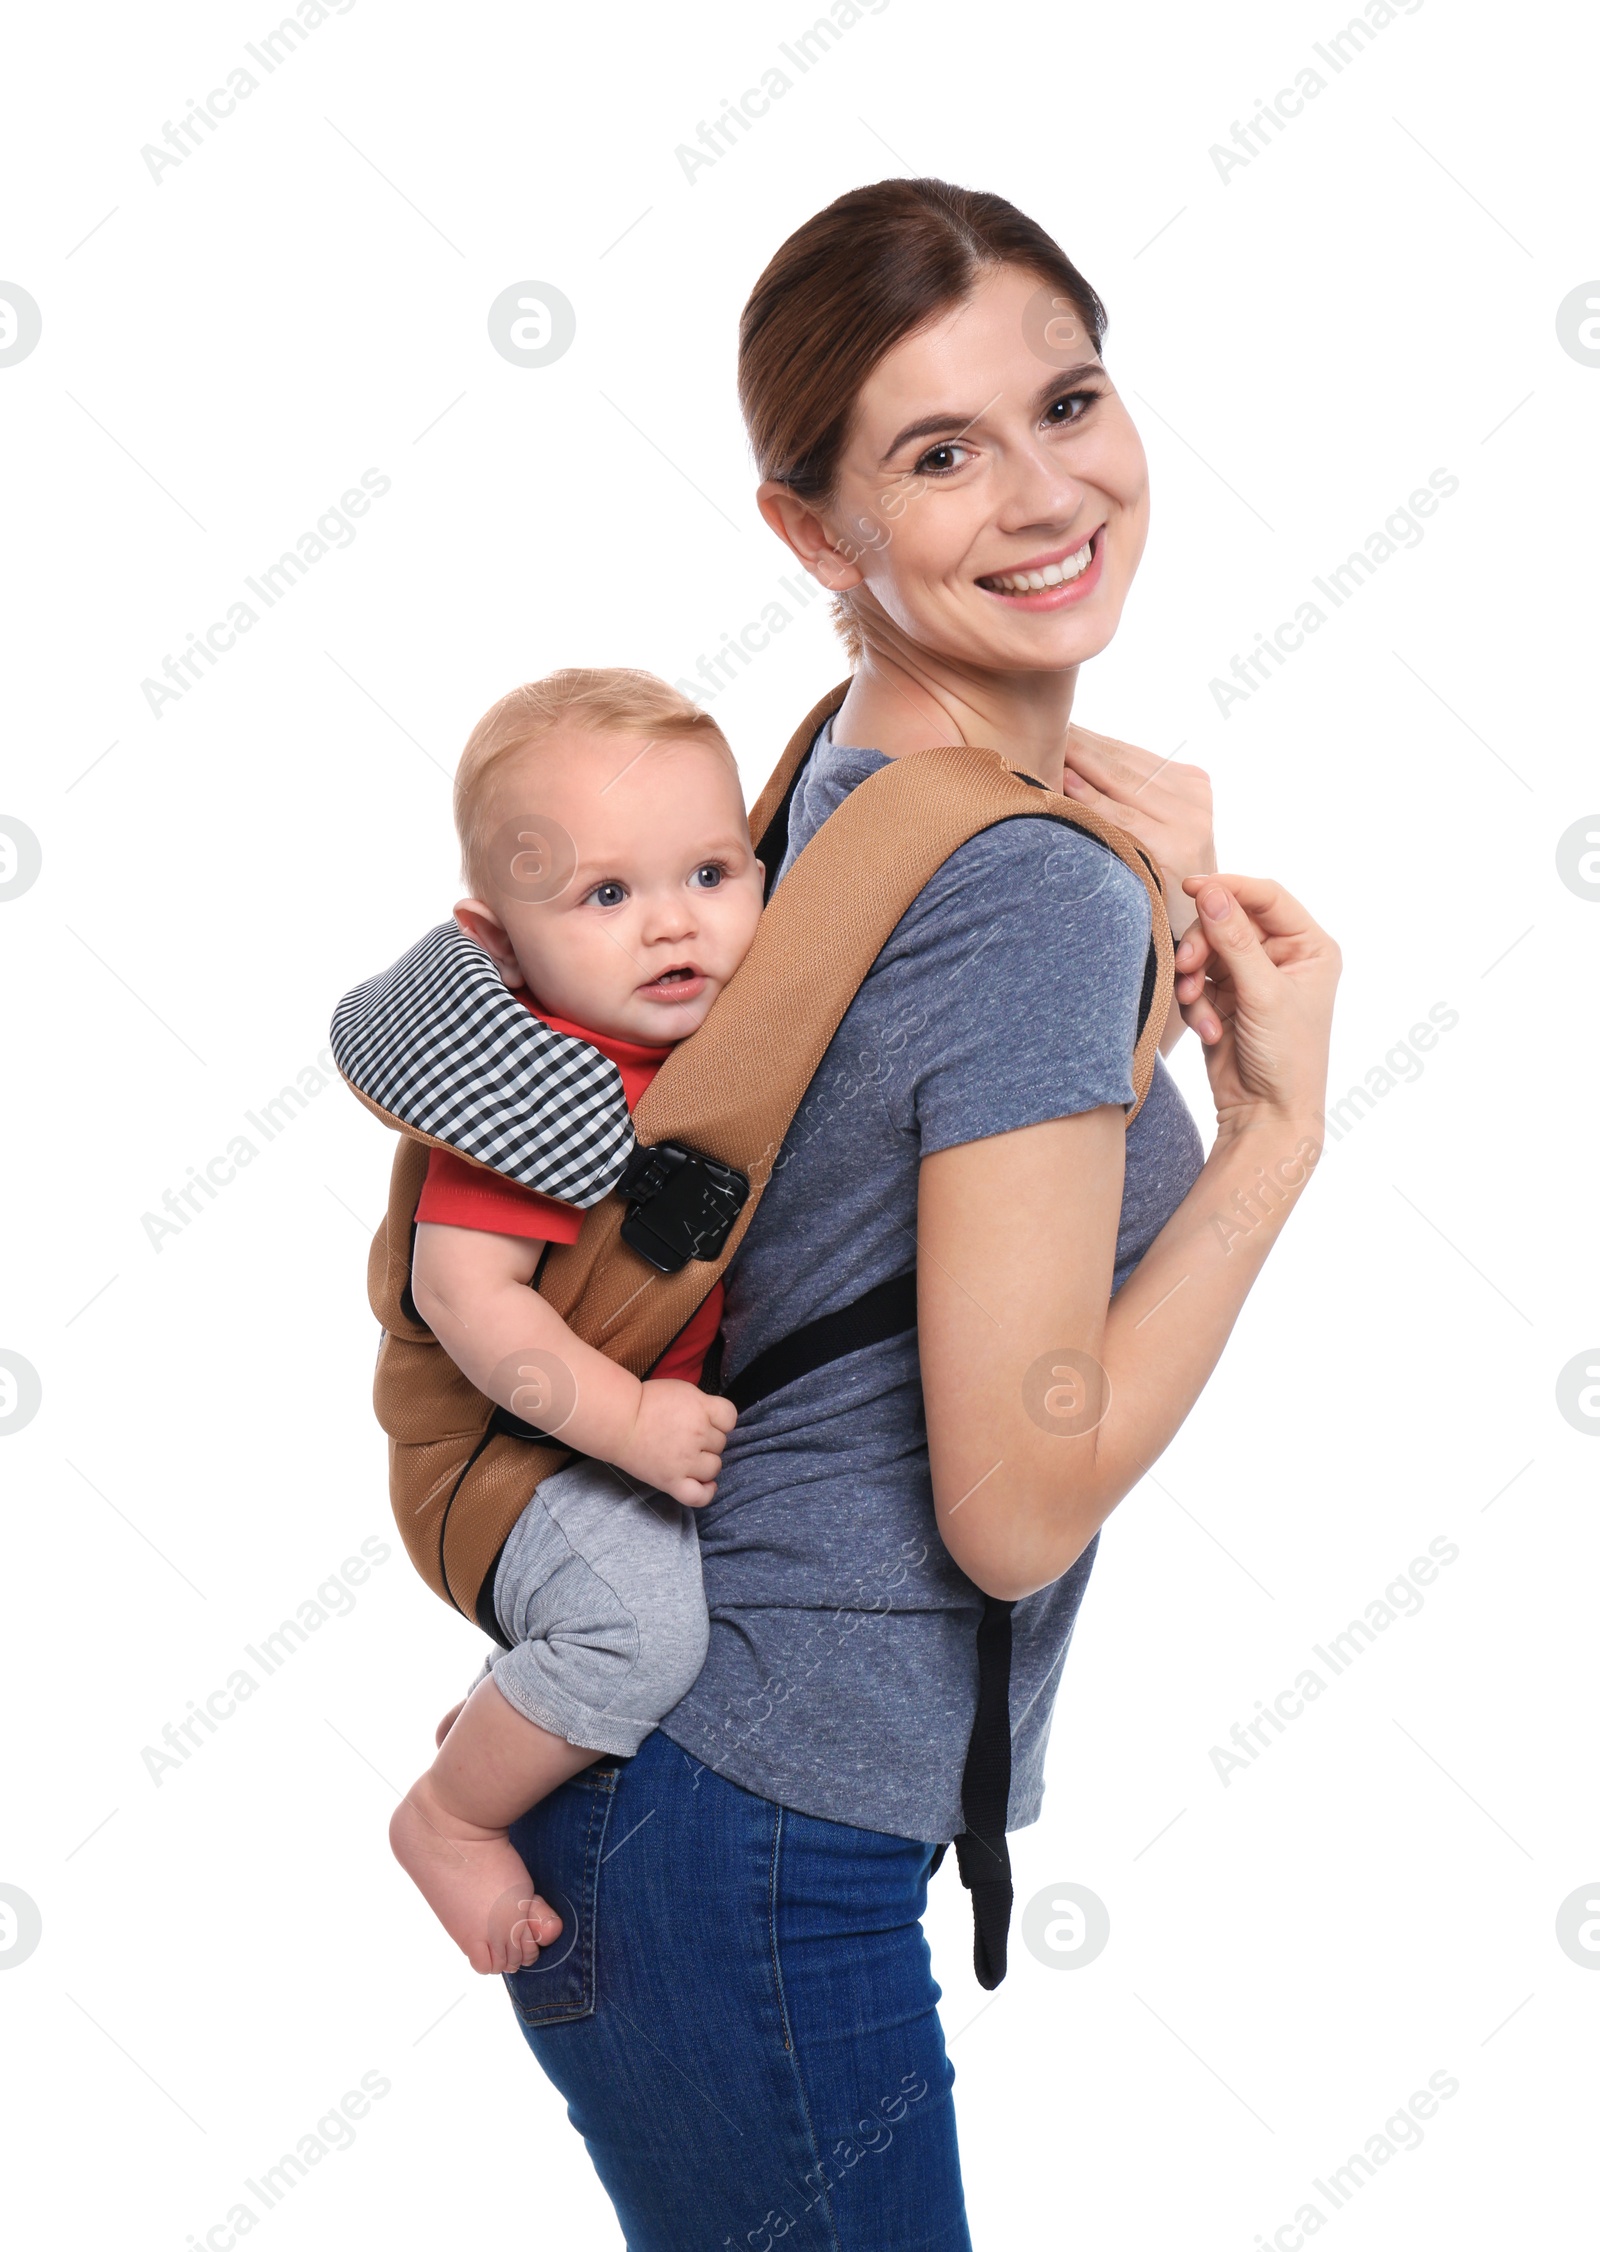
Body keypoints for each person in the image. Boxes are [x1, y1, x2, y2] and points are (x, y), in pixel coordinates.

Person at [496, 178, 1341, 2252]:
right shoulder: (1024, 883)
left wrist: (1113, 897)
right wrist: (1270, 1140)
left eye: (1066, 399)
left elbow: (863, 1198)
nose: (1045, 491)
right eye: (935, 454)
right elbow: (1015, 1501)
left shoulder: (826, 779)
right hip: (763, 1826)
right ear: (812, 532)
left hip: (658, 1787)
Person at [385, 667, 764, 1975]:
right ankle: (446, 1816)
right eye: (607, 896)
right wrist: (630, 1422)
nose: (674, 926)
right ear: (498, 941)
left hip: (605, 1448)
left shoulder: (713, 1049)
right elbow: (464, 1298)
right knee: (641, 1630)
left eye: (712, 874)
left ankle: (508, 1719)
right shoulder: (532, 1088)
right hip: (511, 1462)